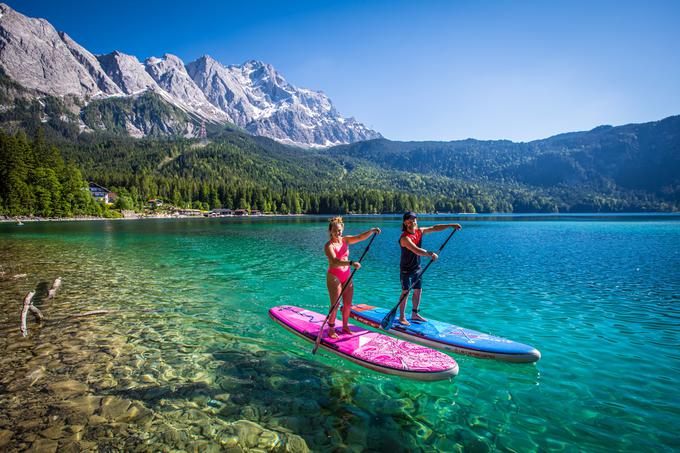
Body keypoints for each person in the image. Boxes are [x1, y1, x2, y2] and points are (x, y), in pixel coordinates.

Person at [398, 211, 461, 325]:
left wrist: (451, 225)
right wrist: (430, 254)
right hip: (406, 269)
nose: (413, 221)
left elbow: (435, 228)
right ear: (405, 222)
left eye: (414, 219)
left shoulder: (419, 231)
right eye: (410, 220)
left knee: (418, 290)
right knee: (405, 292)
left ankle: (414, 314)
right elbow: (416, 250)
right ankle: (402, 317)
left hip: (417, 268)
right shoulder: (405, 238)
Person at [325, 217, 381, 338]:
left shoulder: (345, 240)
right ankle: (331, 328)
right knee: (335, 304)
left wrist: (371, 231)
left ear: (342, 229)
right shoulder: (328, 245)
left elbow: (360, 237)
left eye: (339, 230)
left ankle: (345, 326)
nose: (337, 233)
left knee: (348, 304)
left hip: (347, 275)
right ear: (330, 231)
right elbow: (334, 261)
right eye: (335, 230)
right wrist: (351, 263)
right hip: (334, 276)